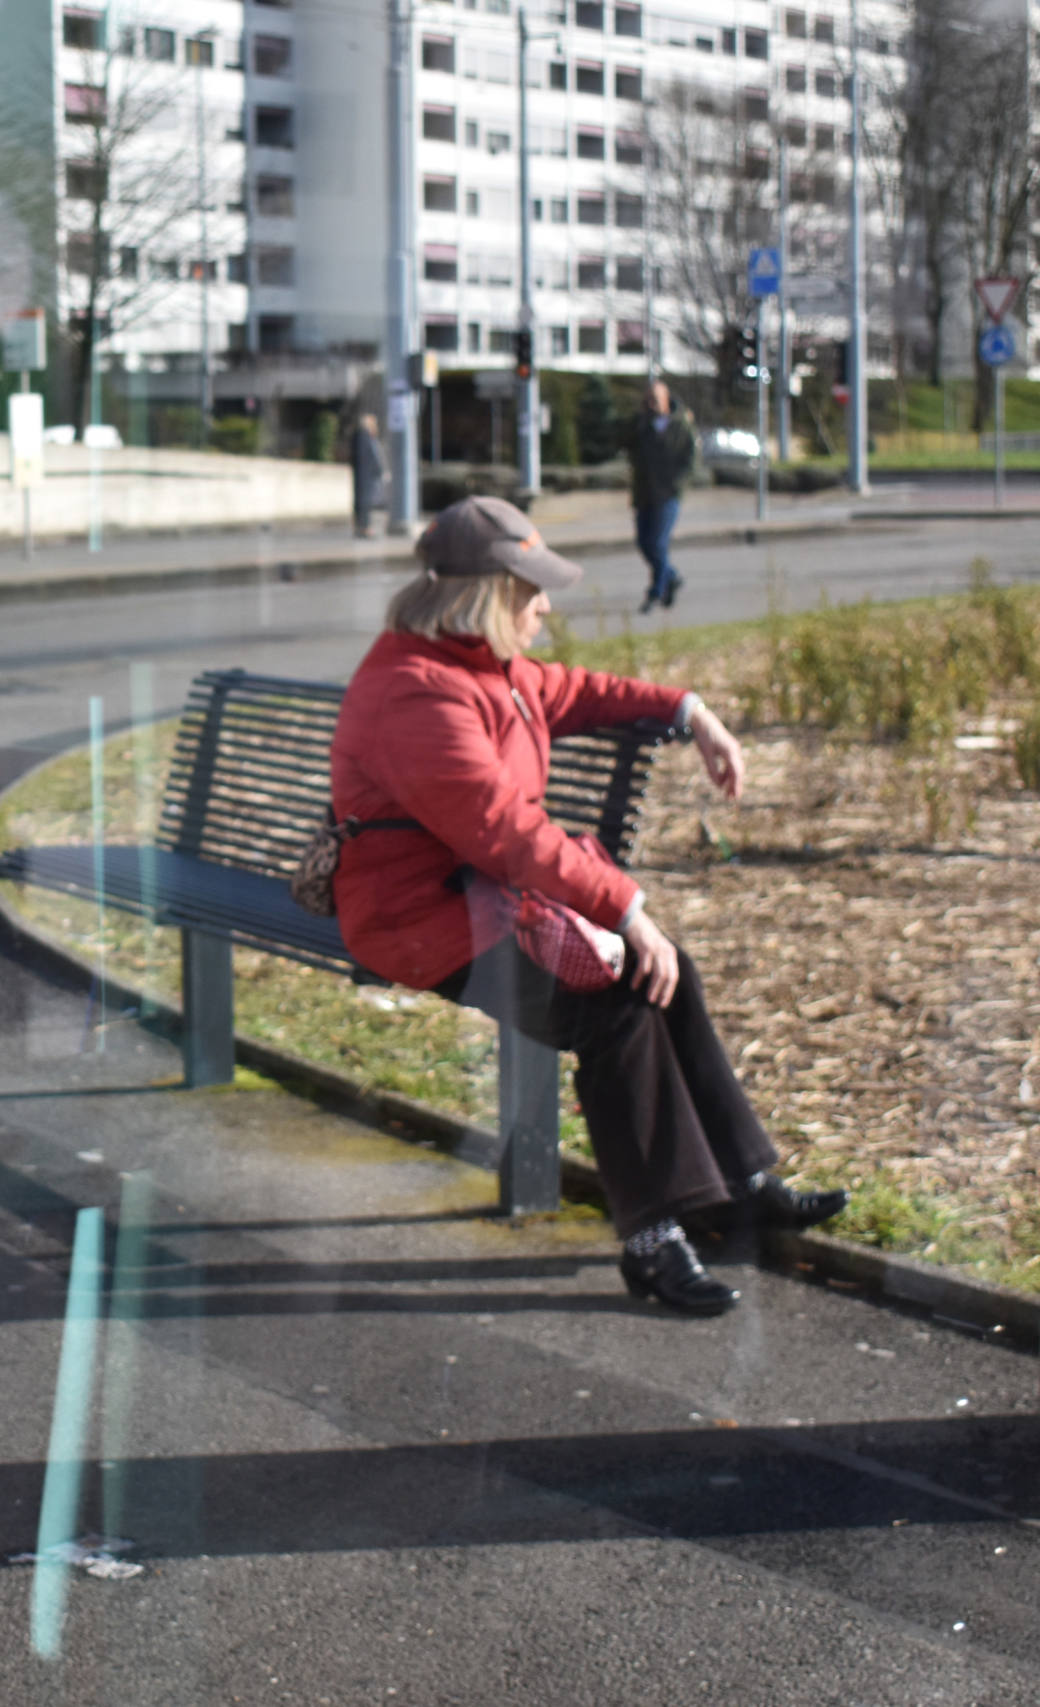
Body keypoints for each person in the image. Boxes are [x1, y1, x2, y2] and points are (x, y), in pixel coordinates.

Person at [328, 496, 844, 1317]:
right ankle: (651, 1240)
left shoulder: (478, 664)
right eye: (531, 591)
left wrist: (687, 709)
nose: (546, 605)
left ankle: (742, 1186)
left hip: (478, 900)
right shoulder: (417, 694)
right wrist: (629, 906)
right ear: (486, 595)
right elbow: (502, 830)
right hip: (420, 923)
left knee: (666, 973)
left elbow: (574, 690)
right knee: (613, 1009)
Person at [626, 379, 696, 614]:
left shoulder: (680, 425)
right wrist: (640, 419)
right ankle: (671, 577)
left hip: (667, 496)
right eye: (648, 400)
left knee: (658, 543)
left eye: (655, 400)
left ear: (666, 400)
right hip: (645, 495)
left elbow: (691, 459)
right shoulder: (641, 425)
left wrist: (676, 485)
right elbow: (625, 443)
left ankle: (656, 591)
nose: (651, 404)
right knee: (644, 543)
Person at [350, 409, 386, 539]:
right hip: (365, 476)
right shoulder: (362, 436)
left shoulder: (365, 436)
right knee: (364, 502)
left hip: (366, 475)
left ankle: (362, 527)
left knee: (364, 502)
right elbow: (364, 457)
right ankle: (364, 528)